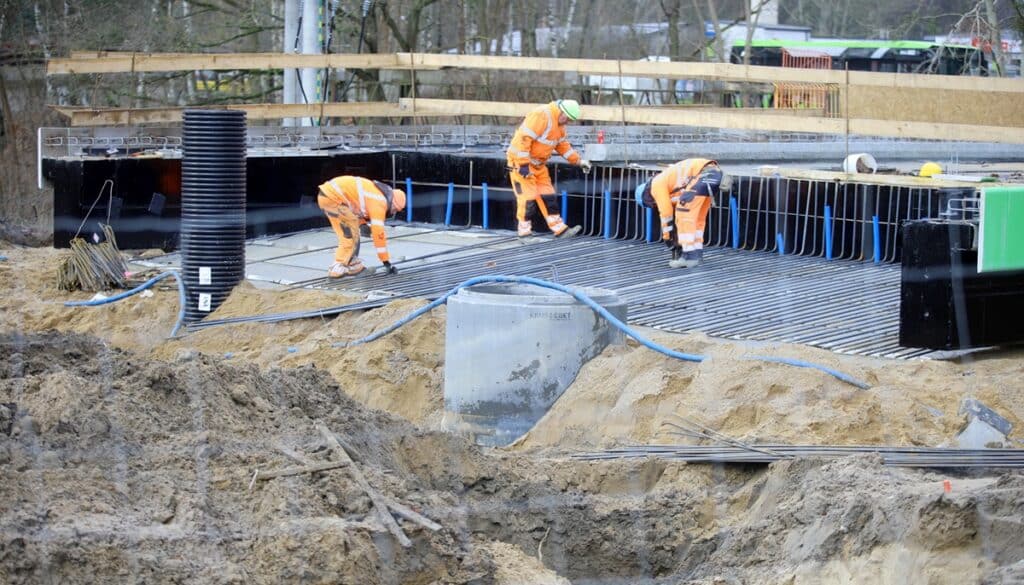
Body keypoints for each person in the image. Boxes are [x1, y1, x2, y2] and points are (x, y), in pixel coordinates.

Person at [506, 99, 591, 237]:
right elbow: (524, 139)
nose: (568, 122)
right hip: (521, 163)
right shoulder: (541, 115)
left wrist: (579, 161)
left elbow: (563, 146)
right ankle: (524, 233)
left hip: (539, 166)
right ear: (562, 112)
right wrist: (523, 165)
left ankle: (559, 229)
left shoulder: (560, 126)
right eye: (568, 118)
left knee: (548, 197)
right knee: (527, 199)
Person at [634, 159, 731, 268]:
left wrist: (668, 237)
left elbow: (666, 213)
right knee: (697, 219)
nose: (654, 205)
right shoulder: (668, 182)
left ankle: (689, 257)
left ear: (646, 196)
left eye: (651, 204)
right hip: (713, 174)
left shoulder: (656, 185)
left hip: (704, 176)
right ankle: (697, 254)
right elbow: (679, 200)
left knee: (683, 215)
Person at [316, 175, 406, 278]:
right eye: (395, 210)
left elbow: (354, 207)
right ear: (393, 203)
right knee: (350, 236)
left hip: (327, 197)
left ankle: (353, 266)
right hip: (334, 199)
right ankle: (337, 268)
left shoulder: (376, 193)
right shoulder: (380, 202)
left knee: (349, 232)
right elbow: (378, 234)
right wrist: (386, 262)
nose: (393, 212)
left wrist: (362, 224)